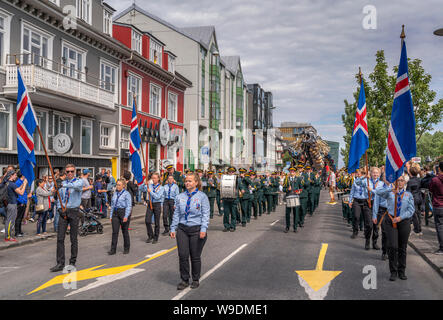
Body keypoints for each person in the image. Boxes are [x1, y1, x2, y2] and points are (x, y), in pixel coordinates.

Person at [370, 174, 414, 281]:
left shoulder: (408, 195)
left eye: (402, 181)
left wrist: (400, 218)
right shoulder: (390, 193)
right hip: (390, 221)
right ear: (394, 182)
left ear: (405, 183)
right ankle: (393, 271)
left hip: (403, 222)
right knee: (393, 246)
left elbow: (411, 210)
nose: (399, 182)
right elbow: (377, 192)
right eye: (398, 180)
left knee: (402, 247)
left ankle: (401, 271)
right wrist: (389, 189)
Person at [170, 172, 209, 290]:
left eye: (190, 181)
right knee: (182, 255)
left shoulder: (202, 197)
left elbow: (205, 214)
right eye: (186, 181)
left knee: (195, 256)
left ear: (196, 182)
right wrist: (173, 227)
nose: (187, 183)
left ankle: (195, 279)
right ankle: (184, 279)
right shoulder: (180, 197)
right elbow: (176, 213)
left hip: (196, 229)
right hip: (183, 228)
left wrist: (203, 229)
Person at [51, 164, 83, 272]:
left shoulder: (79, 182)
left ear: (75, 172)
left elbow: (75, 187)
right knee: (60, 238)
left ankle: (72, 262)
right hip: (63, 211)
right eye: (68, 171)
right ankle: (60, 263)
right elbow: (58, 197)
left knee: (73, 239)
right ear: (65, 172)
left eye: (72, 171)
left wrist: (62, 185)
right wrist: (60, 208)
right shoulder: (62, 183)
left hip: (74, 211)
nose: (69, 173)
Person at [349, 169, 371, 250]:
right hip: (357, 200)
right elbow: (352, 191)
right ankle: (355, 231)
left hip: (365, 201)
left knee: (367, 220)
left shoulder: (367, 180)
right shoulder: (356, 181)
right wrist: (350, 200)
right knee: (356, 216)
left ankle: (366, 235)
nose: (356, 174)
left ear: (361, 173)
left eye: (358, 173)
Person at [108, 179, 132, 255]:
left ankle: (126, 248)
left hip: (123, 212)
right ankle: (113, 249)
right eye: (117, 184)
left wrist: (126, 216)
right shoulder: (115, 193)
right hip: (115, 213)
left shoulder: (127, 194)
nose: (117, 186)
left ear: (123, 186)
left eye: (119, 185)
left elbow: (129, 206)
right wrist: (111, 215)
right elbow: (112, 205)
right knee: (115, 232)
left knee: (125, 231)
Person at [3, 170, 28, 242]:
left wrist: (23, 184)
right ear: (11, 176)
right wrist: (25, 184)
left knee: (9, 220)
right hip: (12, 204)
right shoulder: (12, 184)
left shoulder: (7, 183)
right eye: (15, 175)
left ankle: (8, 236)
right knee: (10, 221)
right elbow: (21, 192)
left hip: (9, 203)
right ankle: (8, 236)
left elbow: (17, 189)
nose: (16, 176)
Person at [145, 173, 164, 244]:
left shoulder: (161, 188)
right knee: (147, 221)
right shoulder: (150, 185)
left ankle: (156, 237)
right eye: (152, 178)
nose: (153, 179)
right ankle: (150, 235)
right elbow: (142, 188)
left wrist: (151, 192)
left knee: (156, 222)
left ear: (158, 179)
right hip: (150, 204)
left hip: (157, 204)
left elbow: (157, 197)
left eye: (155, 178)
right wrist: (144, 183)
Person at [429, 162, 443, 255]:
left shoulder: (435, 180)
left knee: (440, 227)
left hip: (438, 205)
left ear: (439, 169)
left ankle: (442, 248)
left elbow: (430, 189)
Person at [406, 164, 423, 236]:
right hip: (419, 198)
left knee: (414, 215)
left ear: (410, 173)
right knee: (418, 214)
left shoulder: (410, 181)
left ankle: (417, 230)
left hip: (413, 199)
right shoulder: (419, 180)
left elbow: (408, 191)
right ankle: (419, 229)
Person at [283, 167, 301, 233]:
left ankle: (295, 227)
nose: (292, 172)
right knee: (287, 213)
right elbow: (283, 189)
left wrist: (299, 191)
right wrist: (288, 189)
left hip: (295, 197)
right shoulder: (286, 179)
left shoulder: (298, 179)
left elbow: (301, 188)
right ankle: (287, 227)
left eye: (293, 171)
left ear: (295, 172)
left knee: (296, 213)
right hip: (288, 197)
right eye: (291, 171)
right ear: (289, 172)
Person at [15, 171, 28, 237]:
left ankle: (20, 231)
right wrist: (22, 202)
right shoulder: (18, 182)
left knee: (21, 218)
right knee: (18, 218)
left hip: (24, 202)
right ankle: (17, 232)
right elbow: (19, 194)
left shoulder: (22, 182)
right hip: (20, 203)